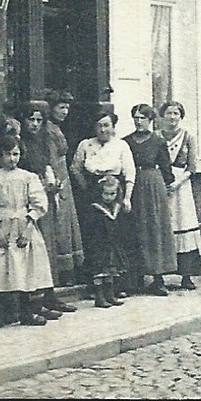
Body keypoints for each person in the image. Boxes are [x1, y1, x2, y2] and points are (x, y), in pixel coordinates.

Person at [0, 134, 55, 326]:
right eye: (8, 154)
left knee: (26, 268)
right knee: (1, 269)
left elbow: (39, 203)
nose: (12, 158)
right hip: (2, 225)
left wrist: (29, 226)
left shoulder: (28, 177)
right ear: (0, 155)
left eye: (16, 154)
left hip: (24, 225)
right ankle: (2, 313)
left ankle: (27, 311)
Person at [70, 111, 136, 299]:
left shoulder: (121, 145)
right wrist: (87, 188)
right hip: (93, 194)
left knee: (117, 239)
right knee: (95, 239)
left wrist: (127, 198)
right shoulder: (86, 145)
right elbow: (75, 168)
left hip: (115, 192)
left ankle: (117, 285)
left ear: (113, 126)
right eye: (99, 125)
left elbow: (130, 173)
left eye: (106, 125)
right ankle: (94, 285)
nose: (103, 129)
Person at [19, 100, 77, 315]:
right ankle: (33, 302)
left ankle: (50, 294)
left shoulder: (43, 142)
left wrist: (52, 183)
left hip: (45, 200)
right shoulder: (21, 144)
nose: (34, 124)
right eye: (30, 120)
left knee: (48, 248)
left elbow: (47, 167)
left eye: (38, 120)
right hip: (27, 203)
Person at [123, 104, 177, 296]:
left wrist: (167, 185)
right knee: (134, 228)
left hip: (153, 184)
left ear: (150, 119)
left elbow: (166, 168)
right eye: (135, 118)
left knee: (155, 228)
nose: (138, 121)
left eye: (142, 118)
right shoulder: (126, 141)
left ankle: (158, 277)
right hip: (132, 184)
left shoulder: (158, 140)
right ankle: (135, 278)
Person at [43, 93, 86, 303]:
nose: (64, 112)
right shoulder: (48, 130)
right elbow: (49, 159)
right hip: (56, 178)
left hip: (64, 175)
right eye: (61, 107)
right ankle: (58, 274)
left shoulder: (57, 129)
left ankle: (67, 273)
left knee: (66, 223)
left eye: (67, 108)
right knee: (58, 223)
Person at [159, 100, 201, 290]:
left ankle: (186, 275)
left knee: (182, 223)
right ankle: (158, 276)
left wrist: (177, 183)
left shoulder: (188, 137)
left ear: (181, 116)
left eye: (176, 113)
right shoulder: (156, 137)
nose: (172, 117)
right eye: (168, 113)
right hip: (160, 183)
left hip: (181, 185)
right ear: (162, 116)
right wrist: (163, 182)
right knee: (162, 225)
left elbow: (192, 167)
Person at [83, 175, 128, 308]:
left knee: (110, 269)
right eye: (106, 194)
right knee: (99, 271)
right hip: (98, 244)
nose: (109, 197)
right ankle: (99, 297)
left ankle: (110, 295)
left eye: (112, 194)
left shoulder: (115, 207)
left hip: (111, 244)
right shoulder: (95, 209)